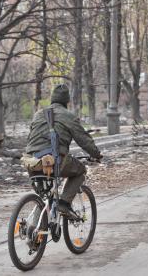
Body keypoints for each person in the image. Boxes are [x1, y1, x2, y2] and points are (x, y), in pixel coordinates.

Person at [25, 84, 102, 218]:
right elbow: (84, 140)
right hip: (55, 161)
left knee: (46, 195)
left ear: (52, 99)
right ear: (67, 101)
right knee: (80, 170)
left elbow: (31, 137)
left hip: (32, 162)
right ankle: (64, 203)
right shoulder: (68, 116)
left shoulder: (38, 114)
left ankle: (37, 227)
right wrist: (96, 154)